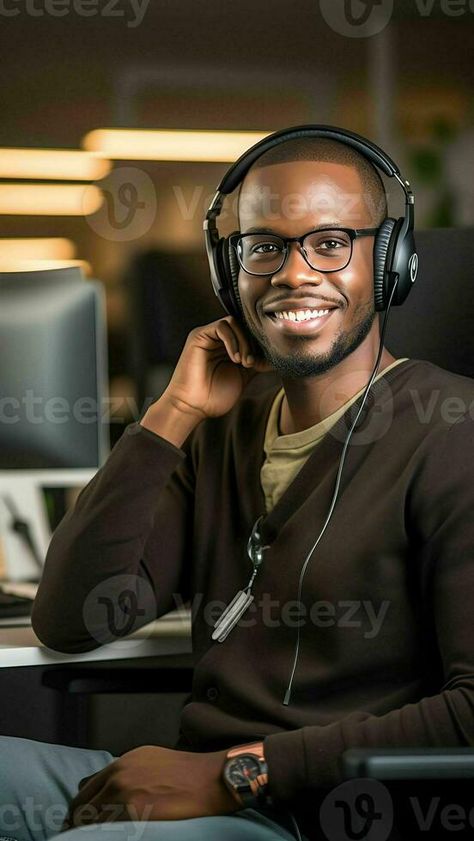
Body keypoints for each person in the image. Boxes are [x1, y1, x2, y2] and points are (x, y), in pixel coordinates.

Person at [2, 127, 474, 841]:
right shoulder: (224, 428)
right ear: (230, 272)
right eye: (265, 247)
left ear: (389, 262)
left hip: (316, 816)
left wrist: (233, 774)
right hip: (191, 790)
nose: (294, 272)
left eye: (331, 242)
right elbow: (68, 620)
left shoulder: (452, 433)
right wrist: (173, 413)